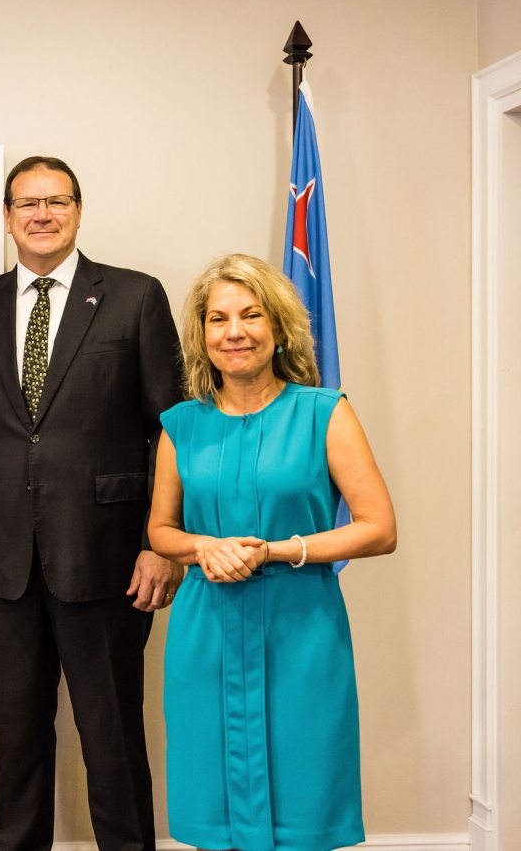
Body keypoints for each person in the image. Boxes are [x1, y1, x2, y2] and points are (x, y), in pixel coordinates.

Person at [0, 156, 183, 851]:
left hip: (108, 561)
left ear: (78, 210)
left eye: (56, 201)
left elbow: (171, 431)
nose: (42, 214)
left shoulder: (133, 297)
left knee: (112, 741)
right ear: (7, 217)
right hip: (1, 564)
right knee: (15, 741)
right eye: (27, 203)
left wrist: (160, 543)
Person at [148, 253, 397, 851]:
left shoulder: (325, 412)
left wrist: (277, 551)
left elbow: (379, 528)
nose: (234, 332)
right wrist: (203, 546)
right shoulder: (180, 425)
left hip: (302, 632)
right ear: (202, 335)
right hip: (205, 635)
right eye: (218, 319)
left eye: (251, 315)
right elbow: (161, 531)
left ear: (279, 327)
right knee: (214, 809)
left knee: (304, 800)